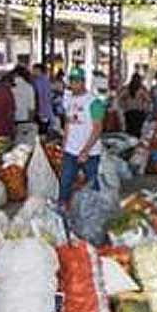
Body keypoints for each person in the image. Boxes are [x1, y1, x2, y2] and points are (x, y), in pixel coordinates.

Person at [58, 68, 106, 209]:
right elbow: (67, 124)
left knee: (92, 184)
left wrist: (85, 150)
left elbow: (97, 128)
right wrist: (64, 145)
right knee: (65, 182)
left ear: (83, 82)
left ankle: (97, 211)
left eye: (76, 81)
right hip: (71, 150)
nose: (73, 84)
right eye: (71, 81)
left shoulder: (94, 102)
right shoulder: (69, 101)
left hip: (90, 153)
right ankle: (62, 208)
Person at [32, 63, 54, 135]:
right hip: (43, 111)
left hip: (42, 112)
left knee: (42, 133)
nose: (33, 71)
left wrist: (41, 112)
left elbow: (44, 98)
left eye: (34, 70)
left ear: (39, 70)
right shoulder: (43, 80)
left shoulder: (41, 81)